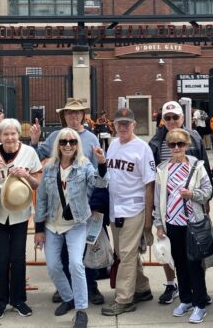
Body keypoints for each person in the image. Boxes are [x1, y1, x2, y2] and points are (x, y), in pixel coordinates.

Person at [30, 98, 104, 305]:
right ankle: (66, 290)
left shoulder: (91, 138)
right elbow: (38, 158)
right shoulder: (55, 136)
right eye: (69, 113)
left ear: (82, 115)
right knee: (61, 255)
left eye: (77, 112)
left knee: (85, 253)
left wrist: (96, 204)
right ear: (64, 116)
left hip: (84, 207)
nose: (73, 116)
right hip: (59, 211)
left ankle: (91, 287)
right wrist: (34, 142)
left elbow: (96, 175)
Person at [34, 128, 108, 328]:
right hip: (52, 225)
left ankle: (81, 309)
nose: (68, 145)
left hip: (76, 224)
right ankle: (69, 297)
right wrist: (39, 229)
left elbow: (100, 183)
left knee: (76, 264)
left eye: (72, 142)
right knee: (53, 266)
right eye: (64, 141)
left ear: (77, 145)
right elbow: (41, 199)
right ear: (58, 144)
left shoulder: (84, 167)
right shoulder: (49, 168)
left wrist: (101, 163)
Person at [0, 118, 43, 320]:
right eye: (5, 133)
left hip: (19, 211)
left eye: (13, 133)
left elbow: (36, 183)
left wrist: (26, 175)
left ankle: (18, 300)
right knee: (0, 259)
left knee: (17, 257)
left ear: (18, 134)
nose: (9, 137)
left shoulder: (28, 152)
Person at [148, 100, 211, 305]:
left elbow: (205, 172)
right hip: (169, 210)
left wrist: (204, 199)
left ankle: (199, 293)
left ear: (182, 118)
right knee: (172, 253)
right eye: (168, 118)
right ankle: (172, 285)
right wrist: (157, 219)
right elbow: (155, 184)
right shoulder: (155, 143)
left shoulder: (194, 138)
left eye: (175, 117)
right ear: (162, 120)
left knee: (194, 254)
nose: (172, 121)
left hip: (192, 209)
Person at [101, 107, 156, 316]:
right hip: (116, 208)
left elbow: (149, 184)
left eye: (127, 123)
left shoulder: (142, 148)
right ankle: (142, 289)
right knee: (124, 252)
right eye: (119, 123)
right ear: (113, 126)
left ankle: (124, 299)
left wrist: (148, 218)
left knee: (126, 253)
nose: (122, 127)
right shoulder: (113, 145)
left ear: (134, 125)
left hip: (134, 207)